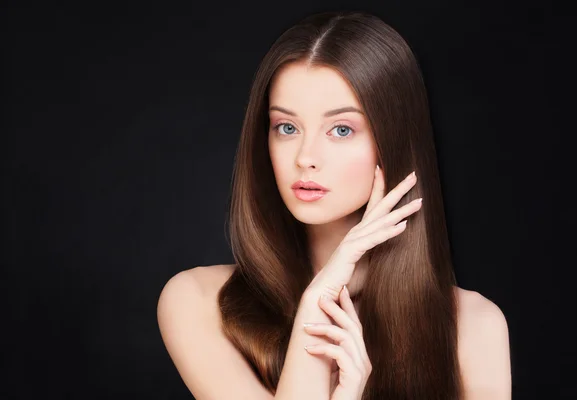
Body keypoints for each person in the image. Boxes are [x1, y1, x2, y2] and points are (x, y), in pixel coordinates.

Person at [157, 10, 511, 400]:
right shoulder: (199, 300)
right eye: (286, 128)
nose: (306, 157)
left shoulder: (474, 327)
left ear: (393, 143)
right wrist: (320, 297)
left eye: (341, 130)